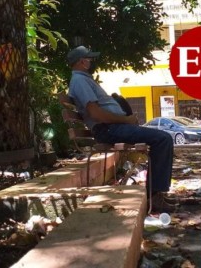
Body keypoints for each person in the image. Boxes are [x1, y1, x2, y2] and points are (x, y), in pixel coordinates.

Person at [66, 45, 176, 212]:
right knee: (163, 139)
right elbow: (96, 114)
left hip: (112, 127)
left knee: (162, 138)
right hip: (109, 129)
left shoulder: (83, 79)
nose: (92, 62)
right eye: (90, 59)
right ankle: (153, 195)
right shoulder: (80, 81)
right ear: (82, 62)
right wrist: (126, 120)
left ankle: (155, 193)